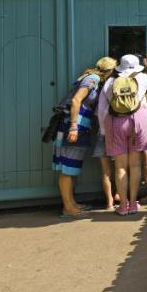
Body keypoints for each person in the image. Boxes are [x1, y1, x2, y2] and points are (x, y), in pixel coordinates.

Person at [97, 54, 147, 215]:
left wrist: (104, 131)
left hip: (116, 122)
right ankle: (133, 204)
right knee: (135, 165)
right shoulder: (142, 77)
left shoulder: (110, 82)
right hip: (138, 120)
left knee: (120, 167)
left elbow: (101, 109)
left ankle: (123, 206)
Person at [51, 56, 117, 218]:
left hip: (80, 125)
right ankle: (68, 207)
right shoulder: (93, 79)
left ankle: (72, 204)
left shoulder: (92, 79)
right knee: (67, 168)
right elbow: (76, 100)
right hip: (75, 125)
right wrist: (73, 127)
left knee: (71, 167)